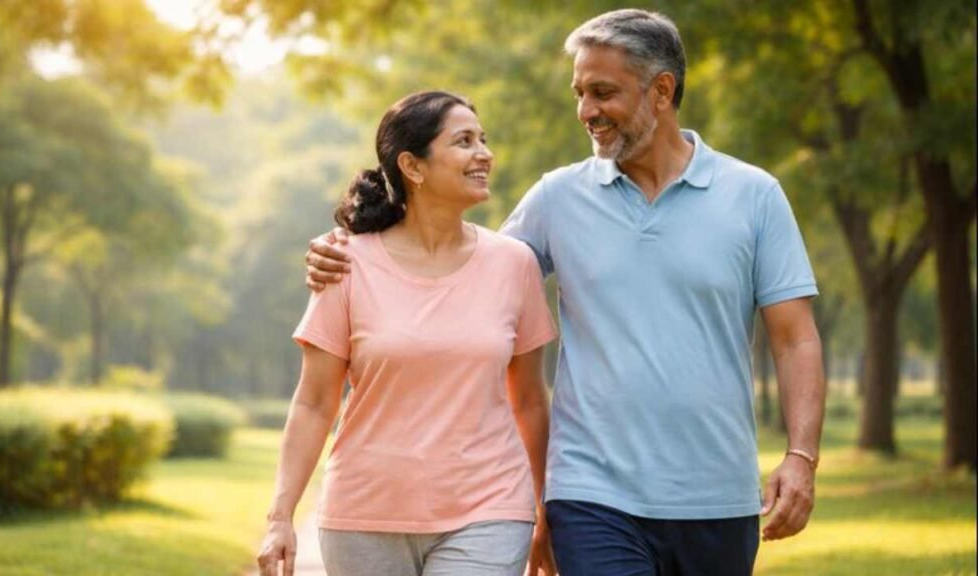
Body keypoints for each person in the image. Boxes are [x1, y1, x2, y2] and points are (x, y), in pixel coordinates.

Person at [304, 9, 826, 576]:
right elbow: (461, 269)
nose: (586, 112)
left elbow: (795, 339)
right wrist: (354, 247)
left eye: (603, 92)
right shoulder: (557, 198)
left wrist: (801, 457)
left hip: (717, 494)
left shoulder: (754, 196)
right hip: (590, 493)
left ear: (662, 91)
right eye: (580, 93)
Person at [257, 91, 559, 576]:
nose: (484, 153)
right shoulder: (346, 263)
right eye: (464, 142)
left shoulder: (514, 264)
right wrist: (280, 517)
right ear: (412, 167)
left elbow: (529, 399)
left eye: (483, 139)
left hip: (490, 507)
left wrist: (548, 512)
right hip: (364, 513)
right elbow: (315, 401)